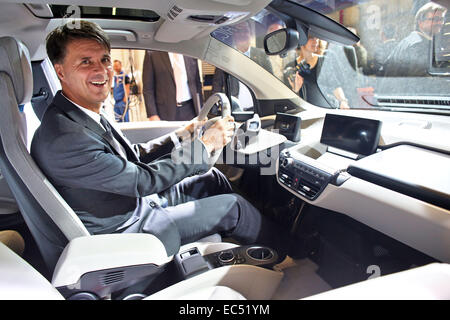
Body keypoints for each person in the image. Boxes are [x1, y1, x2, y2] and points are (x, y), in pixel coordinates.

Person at [31, 20, 288, 259]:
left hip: (131, 204)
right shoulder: (65, 137)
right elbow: (141, 180)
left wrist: (185, 132)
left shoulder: (80, 113)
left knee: (212, 179)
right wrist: (206, 143)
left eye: (105, 59)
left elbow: (133, 155)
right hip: (128, 229)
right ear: (61, 72)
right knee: (235, 207)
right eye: (86, 62)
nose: (101, 70)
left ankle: (246, 239)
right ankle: (291, 257)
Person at [383, 2, 447, 77]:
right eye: (435, 19)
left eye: (442, 19)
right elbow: (420, 82)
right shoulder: (418, 46)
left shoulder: (411, 40)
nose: (440, 23)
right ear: (420, 22)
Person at [287, 36, 351, 109]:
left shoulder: (324, 61)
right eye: (311, 38)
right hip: (306, 111)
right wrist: (295, 90)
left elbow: (335, 86)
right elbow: (291, 100)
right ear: (301, 40)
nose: (316, 41)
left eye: (317, 38)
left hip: (328, 107)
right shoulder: (292, 68)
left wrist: (343, 101)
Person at [142, 50, 203, 121]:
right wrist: (153, 114)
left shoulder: (189, 49)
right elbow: (148, 88)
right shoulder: (153, 52)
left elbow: (197, 83)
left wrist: (201, 109)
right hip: (165, 113)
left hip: (190, 110)